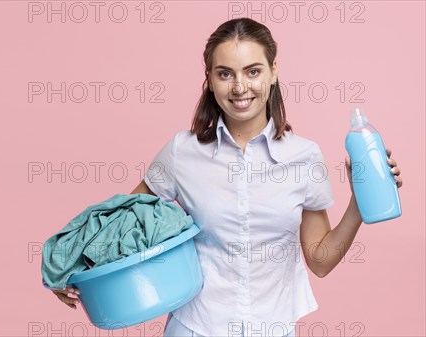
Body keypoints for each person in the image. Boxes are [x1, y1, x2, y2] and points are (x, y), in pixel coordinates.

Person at [50, 17, 403, 337]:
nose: (239, 87)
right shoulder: (181, 152)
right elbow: (122, 225)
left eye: (252, 71)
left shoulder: (304, 157)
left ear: (273, 71)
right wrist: (67, 267)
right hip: (196, 325)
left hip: (273, 327)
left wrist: (361, 202)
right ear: (209, 79)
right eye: (224, 73)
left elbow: (321, 261)